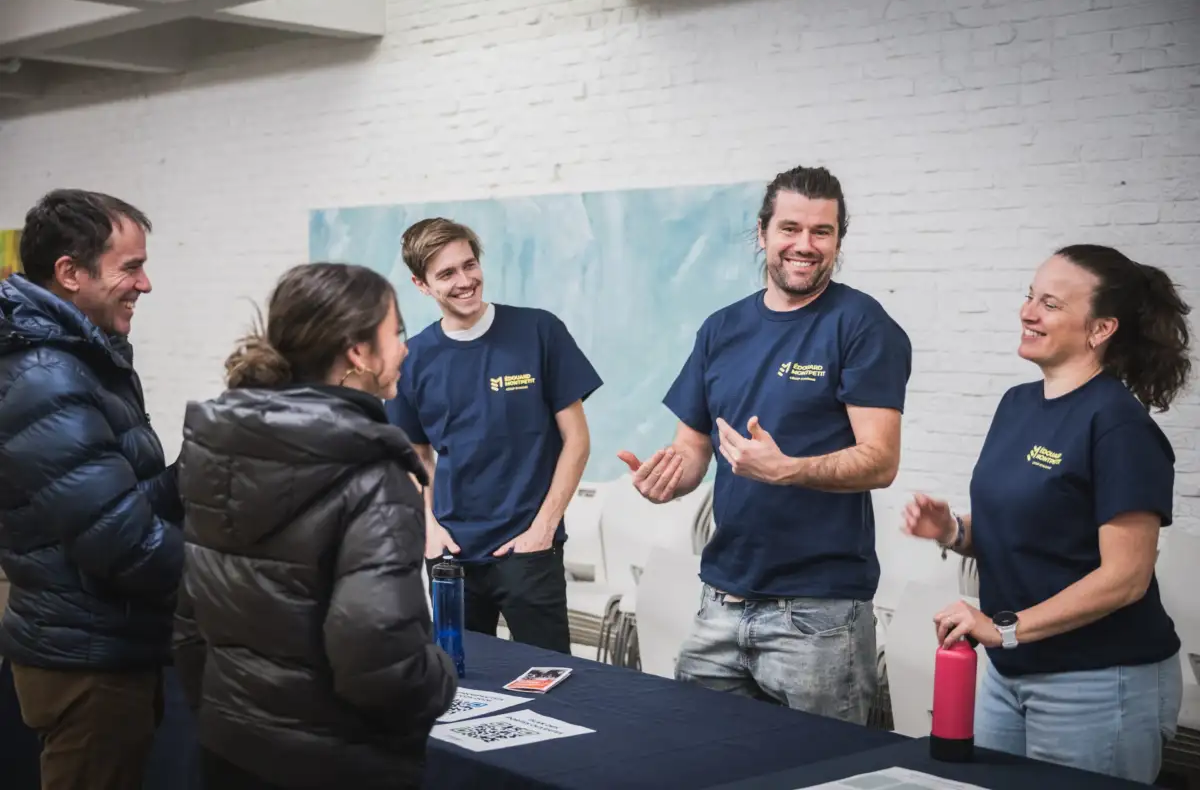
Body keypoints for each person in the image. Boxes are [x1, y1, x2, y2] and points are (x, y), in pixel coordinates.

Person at [618, 165, 912, 724]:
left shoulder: (862, 325)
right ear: (762, 233)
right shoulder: (721, 329)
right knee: (703, 760)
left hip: (819, 615)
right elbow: (693, 448)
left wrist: (788, 469)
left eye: (822, 232)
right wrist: (667, 479)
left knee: (823, 776)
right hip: (722, 600)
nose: (805, 245)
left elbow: (881, 460)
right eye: (791, 228)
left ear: (838, 240)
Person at [904, 245, 1188, 783]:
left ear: (1100, 328)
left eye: (1051, 304)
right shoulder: (1016, 405)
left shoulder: (1119, 427)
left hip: (1100, 681)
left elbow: (1125, 578)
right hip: (1009, 673)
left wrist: (1003, 628)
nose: (1028, 312)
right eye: (1030, 296)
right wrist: (954, 530)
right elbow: (1034, 530)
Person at [171, 263, 457, 790]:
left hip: (230, 748)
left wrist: (225, 714)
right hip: (336, 764)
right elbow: (375, 653)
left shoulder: (220, 450)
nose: (405, 349)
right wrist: (442, 678)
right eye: (395, 333)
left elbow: (192, 622)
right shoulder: (374, 472)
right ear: (357, 352)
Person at [0, 189, 185, 790]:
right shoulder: (47, 374)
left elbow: (115, 501)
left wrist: (197, 473)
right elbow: (123, 544)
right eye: (131, 267)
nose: (146, 284)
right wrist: (239, 575)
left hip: (102, 646)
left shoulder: (75, 358)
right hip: (87, 661)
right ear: (70, 274)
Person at [385, 217, 602, 655]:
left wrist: (542, 530)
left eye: (469, 265)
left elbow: (576, 441)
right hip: (451, 553)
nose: (465, 281)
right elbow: (415, 457)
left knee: (550, 681)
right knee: (461, 684)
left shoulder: (539, 332)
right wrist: (427, 529)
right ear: (421, 284)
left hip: (529, 550)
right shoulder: (414, 359)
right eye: (446, 273)